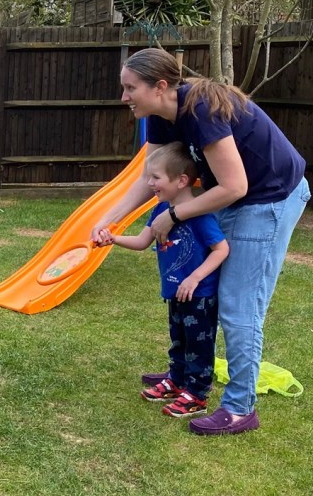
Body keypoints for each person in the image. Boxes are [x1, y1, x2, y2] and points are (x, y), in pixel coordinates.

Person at [92, 48, 310, 435]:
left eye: (130, 88)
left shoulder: (201, 109)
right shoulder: (162, 115)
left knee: (239, 305)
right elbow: (150, 177)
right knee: (201, 294)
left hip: (268, 198)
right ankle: (187, 375)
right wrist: (107, 219)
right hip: (232, 195)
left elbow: (235, 185)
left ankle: (241, 408)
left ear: (160, 86)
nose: (124, 97)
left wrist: (172, 215)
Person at [98, 142, 229, 418]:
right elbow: (142, 241)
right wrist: (114, 238)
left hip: (199, 295)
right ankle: (177, 381)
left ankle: (196, 394)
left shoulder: (199, 215)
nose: (149, 183)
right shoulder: (160, 211)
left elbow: (221, 250)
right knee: (178, 339)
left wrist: (194, 278)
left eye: (155, 177)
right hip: (174, 291)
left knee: (198, 344)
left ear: (181, 180)